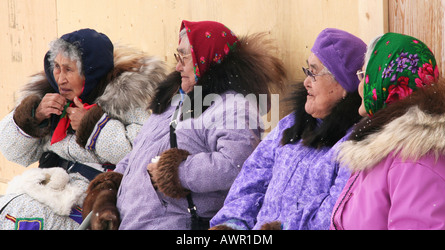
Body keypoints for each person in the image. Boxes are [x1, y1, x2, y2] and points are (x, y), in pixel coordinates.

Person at [84, 20, 287, 230]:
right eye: (177, 56)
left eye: (185, 56)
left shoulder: (232, 106)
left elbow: (236, 165)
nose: (178, 66)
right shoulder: (176, 99)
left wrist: (177, 172)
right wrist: (111, 189)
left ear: (207, 57)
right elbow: (140, 151)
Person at [0, 28, 167, 229]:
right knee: (10, 210)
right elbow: (13, 152)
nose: (60, 79)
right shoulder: (50, 99)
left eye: (69, 70)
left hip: (98, 199)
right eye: (57, 67)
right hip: (53, 186)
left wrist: (94, 127)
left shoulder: (126, 100)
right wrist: (34, 117)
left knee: (27, 216)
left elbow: (142, 153)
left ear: (91, 71)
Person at [210, 28, 366, 230]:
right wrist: (233, 225)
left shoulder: (354, 143)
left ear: (344, 84)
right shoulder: (291, 125)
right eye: (307, 71)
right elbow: (254, 176)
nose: (306, 82)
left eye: (314, 72)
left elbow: (335, 212)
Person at [331, 33, 445, 230]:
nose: (359, 87)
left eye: (364, 76)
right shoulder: (386, 147)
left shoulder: (415, 158)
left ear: (383, 80)